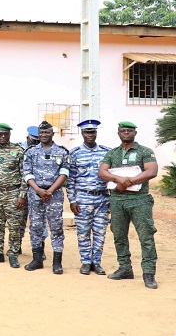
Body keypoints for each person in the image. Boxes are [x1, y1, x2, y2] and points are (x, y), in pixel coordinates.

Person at [98, 121, 159, 289]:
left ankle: (148, 273)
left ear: (135, 133)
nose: (126, 133)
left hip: (139, 200)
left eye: (129, 130)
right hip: (117, 200)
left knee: (146, 237)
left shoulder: (144, 151)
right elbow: (102, 171)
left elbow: (152, 171)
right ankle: (125, 268)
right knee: (119, 236)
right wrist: (118, 180)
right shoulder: (112, 153)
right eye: (123, 130)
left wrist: (129, 182)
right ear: (118, 133)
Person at [22, 121, 69, 274]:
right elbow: (27, 174)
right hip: (35, 194)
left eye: (46, 133)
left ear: (52, 134)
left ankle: (57, 262)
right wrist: (39, 191)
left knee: (56, 228)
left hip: (54, 195)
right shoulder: (30, 152)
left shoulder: (61, 152)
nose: (43, 135)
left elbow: (64, 173)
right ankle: (37, 259)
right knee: (35, 227)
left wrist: (49, 191)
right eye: (41, 133)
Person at [68, 119, 111, 275]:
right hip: (83, 198)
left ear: (96, 133)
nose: (90, 135)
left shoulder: (107, 152)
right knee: (83, 232)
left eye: (92, 132)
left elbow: (111, 177)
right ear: (82, 133)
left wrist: (111, 200)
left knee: (100, 232)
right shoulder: (74, 153)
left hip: (102, 198)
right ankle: (86, 262)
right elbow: (70, 179)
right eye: (87, 132)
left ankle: (97, 262)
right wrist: (72, 200)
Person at [0, 123, 26, 268]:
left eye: (5, 134)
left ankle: (13, 254)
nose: (3, 137)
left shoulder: (18, 151)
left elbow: (24, 175)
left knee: (14, 226)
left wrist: (21, 195)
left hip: (13, 193)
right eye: (0, 134)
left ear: (10, 135)